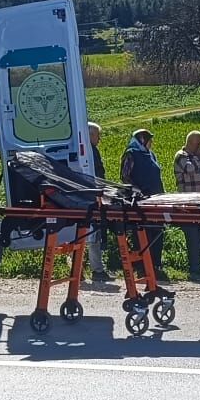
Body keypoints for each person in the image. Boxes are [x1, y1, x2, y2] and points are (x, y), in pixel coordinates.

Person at [121, 127, 166, 276]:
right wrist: (137, 191)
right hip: (140, 201)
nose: (151, 143)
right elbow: (125, 177)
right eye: (149, 140)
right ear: (141, 140)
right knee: (143, 233)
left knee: (157, 231)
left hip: (156, 199)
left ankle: (156, 264)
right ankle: (143, 267)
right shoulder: (131, 154)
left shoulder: (150, 155)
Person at [174, 131, 200, 277]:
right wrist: (199, 156)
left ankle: (198, 263)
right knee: (192, 235)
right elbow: (191, 169)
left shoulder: (196, 158)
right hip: (188, 203)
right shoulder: (182, 156)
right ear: (192, 143)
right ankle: (194, 267)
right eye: (199, 144)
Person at [85, 121, 112, 288]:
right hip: (92, 197)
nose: (99, 138)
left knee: (87, 234)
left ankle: (86, 269)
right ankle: (97, 270)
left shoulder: (90, 150)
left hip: (92, 196)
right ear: (90, 135)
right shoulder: (90, 151)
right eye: (97, 135)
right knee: (92, 234)